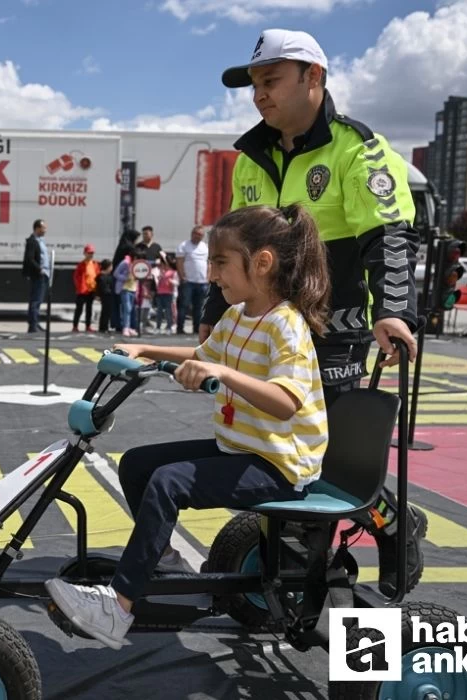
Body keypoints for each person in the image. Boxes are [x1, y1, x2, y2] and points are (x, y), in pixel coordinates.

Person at [46, 204, 332, 650]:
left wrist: (226, 376)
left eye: (221, 262)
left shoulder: (286, 325)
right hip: (244, 448)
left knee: (168, 482)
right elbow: (203, 354)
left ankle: (117, 608)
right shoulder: (237, 316)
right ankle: (165, 563)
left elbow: (285, 403)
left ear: (262, 262)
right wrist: (143, 348)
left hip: (281, 463)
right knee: (138, 465)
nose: (212, 273)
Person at [202, 28, 426, 596]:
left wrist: (395, 312)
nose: (259, 94)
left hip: (339, 331)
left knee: (318, 457)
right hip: (271, 329)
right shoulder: (250, 158)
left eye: (270, 80)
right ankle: (293, 563)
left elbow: (389, 238)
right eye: (254, 84)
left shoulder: (359, 150)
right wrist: (211, 309)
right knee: (272, 446)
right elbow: (235, 244)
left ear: (314, 79)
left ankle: (390, 528)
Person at [175, 225, 210, 334]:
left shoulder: (205, 247)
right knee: (184, 306)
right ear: (192, 234)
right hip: (188, 282)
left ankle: (196, 329)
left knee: (199, 307)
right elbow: (179, 262)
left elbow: (209, 263)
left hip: (202, 282)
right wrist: (182, 277)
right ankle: (180, 328)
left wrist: (208, 277)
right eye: (196, 234)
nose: (198, 237)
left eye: (201, 235)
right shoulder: (184, 246)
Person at [22, 219, 50, 333]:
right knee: (35, 300)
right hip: (38, 275)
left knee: (39, 301)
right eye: (43, 228)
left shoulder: (41, 241)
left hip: (44, 274)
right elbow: (30, 258)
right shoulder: (32, 241)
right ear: (37, 228)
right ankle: (32, 325)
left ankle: (35, 323)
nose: (45, 230)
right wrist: (40, 269)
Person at [72, 244, 99, 333]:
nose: (91, 254)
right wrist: (79, 287)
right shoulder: (81, 265)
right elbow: (76, 277)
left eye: (92, 253)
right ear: (85, 253)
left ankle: (88, 326)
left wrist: (96, 289)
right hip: (82, 290)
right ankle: (75, 326)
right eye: (89, 253)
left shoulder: (95, 264)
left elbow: (97, 276)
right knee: (79, 309)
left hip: (91, 290)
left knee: (89, 309)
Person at [113, 252, 139, 337]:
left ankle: (129, 327)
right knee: (127, 308)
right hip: (125, 288)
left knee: (131, 309)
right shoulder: (125, 263)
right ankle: (125, 327)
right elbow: (116, 273)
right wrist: (125, 278)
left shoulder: (137, 265)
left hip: (133, 289)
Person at [151, 257, 177, 334]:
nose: (162, 266)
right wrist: (159, 277)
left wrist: (171, 281)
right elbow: (156, 282)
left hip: (168, 294)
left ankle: (169, 327)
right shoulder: (159, 272)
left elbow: (177, 282)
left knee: (168, 311)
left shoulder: (172, 272)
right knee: (159, 311)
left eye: (163, 264)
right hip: (160, 293)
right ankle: (158, 327)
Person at [96, 258, 116, 334]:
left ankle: (104, 327)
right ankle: (103, 327)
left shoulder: (108, 276)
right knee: (105, 312)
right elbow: (101, 287)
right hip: (105, 296)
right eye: (111, 266)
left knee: (107, 312)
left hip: (108, 296)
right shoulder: (101, 276)